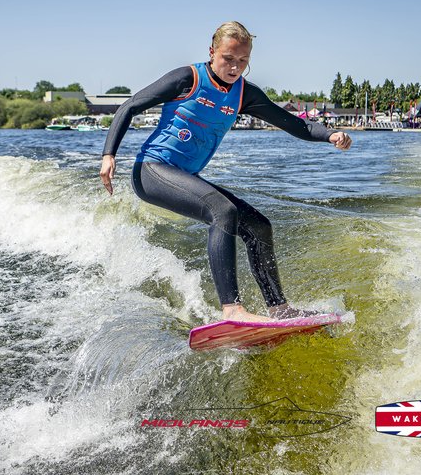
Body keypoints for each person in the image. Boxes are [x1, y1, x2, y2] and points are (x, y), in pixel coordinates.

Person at [99, 21, 352, 323]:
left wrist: (329, 135)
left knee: (259, 226)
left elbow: (294, 124)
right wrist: (109, 154)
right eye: (228, 59)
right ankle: (232, 309)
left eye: (242, 61)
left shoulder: (244, 94)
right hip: (151, 171)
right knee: (223, 211)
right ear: (212, 52)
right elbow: (130, 106)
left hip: (184, 177)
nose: (235, 67)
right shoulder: (187, 78)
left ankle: (279, 308)